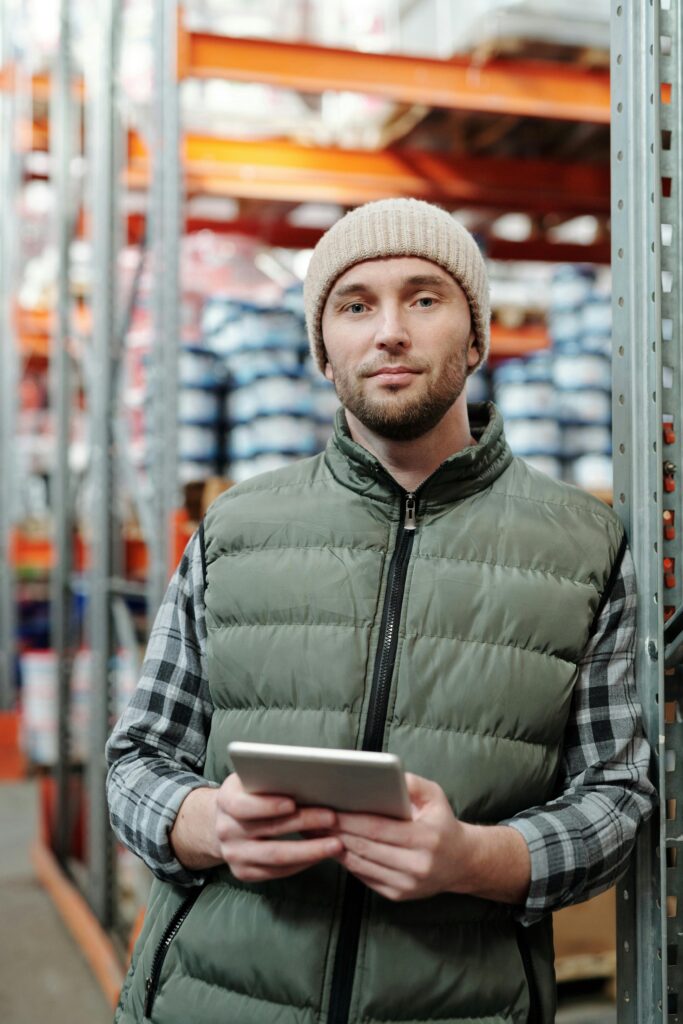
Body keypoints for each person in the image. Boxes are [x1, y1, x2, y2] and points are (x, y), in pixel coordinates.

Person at [107, 198, 655, 1024]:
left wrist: (479, 857)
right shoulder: (233, 530)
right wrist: (204, 821)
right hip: (213, 999)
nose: (388, 331)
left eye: (424, 298)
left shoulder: (584, 547)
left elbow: (615, 797)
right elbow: (135, 759)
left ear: (475, 337)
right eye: (354, 304)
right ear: (323, 351)